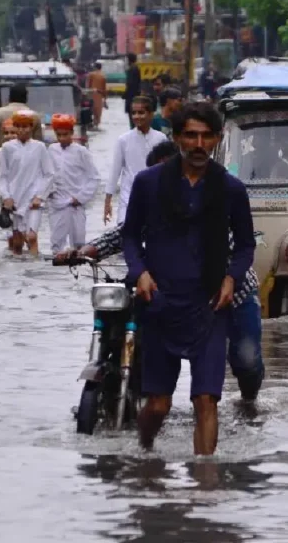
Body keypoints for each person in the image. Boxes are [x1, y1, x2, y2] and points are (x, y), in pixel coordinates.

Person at [54, 140, 266, 404]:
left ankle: (248, 403)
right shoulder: (155, 201)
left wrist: (226, 275)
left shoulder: (215, 198)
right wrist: (81, 252)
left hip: (232, 293)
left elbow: (240, 246)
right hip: (178, 293)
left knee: (246, 360)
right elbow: (123, 235)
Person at [122, 101, 255, 455]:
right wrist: (141, 274)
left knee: (206, 401)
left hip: (210, 305)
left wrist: (231, 279)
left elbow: (244, 247)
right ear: (177, 137)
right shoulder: (147, 183)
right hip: (159, 303)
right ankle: (144, 454)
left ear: (217, 139)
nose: (198, 145)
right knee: (159, 405)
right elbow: (130, 236)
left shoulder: (231, 189)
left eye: (206, 136)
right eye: (191, 136)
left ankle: (205, 485)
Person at [0, 110, 53, 256]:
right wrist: (6, 196)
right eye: (18, 126)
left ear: (31, 127)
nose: (22, 130)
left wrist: (40, 196)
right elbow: (1, 176)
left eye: (25, 126)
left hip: (34, 200)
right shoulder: (6, 149)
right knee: (17, 243)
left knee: (32, 237)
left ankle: (34, 270)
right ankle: (18, 274)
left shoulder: (40, 147)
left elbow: (49, 174)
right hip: (15, 200)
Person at [104, 95, 166, 226]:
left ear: (151, 114)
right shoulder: (124, 140)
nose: (137, 116)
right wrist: (107, 201)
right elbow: (115, 171)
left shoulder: (161, 139)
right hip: (128, 198)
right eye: (134, 113)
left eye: (141, 112)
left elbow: (167, 170)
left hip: (154, 198)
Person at [46, 114, 99, 253]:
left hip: (76, 204)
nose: (62, 138)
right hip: (57, 203)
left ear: (72, 133)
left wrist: (80, 198)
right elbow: (47, 175)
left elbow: (94, 177)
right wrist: (49, 192)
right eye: (59, 135)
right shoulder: (51, 150)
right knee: (56, 244)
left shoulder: (81, 152)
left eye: (65, 134)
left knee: (79, 244)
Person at [0, 84, 44, 178]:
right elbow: (39, 144)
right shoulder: (34, 116)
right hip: (26, 165)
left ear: (9, 97)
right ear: (26, 98)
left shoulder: (0, 114)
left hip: (1, 164)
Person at [87, 62, 107, 129]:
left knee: (91, 111)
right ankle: (96, 125)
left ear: (95, 67)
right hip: (99, 95)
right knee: (98, 112)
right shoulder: (103, 76)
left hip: (91, 94)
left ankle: (92, 124)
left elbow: (88, 86)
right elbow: (104, 89)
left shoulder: (91, 74)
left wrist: (87, 95)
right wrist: (105, 99)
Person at [124, 54, 142, 129]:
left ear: (129, 60)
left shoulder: (132, 69)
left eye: (126, 59)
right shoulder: (136, 68)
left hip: (131, 97)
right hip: (135, 96)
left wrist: (125, 94)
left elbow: (130, 84)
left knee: (132, 118)